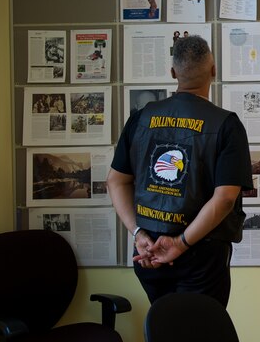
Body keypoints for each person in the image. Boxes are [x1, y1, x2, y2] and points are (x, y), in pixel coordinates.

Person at [107, 35, 252, 308]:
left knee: (165, 335)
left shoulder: (141, 118)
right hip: (201, 256)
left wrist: (138, 232)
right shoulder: (226, 125)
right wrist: (181, 243)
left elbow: (115, 182)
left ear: (173, 73)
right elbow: (224, 199)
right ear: (214, 70)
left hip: (148, 250)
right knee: (201, 337)